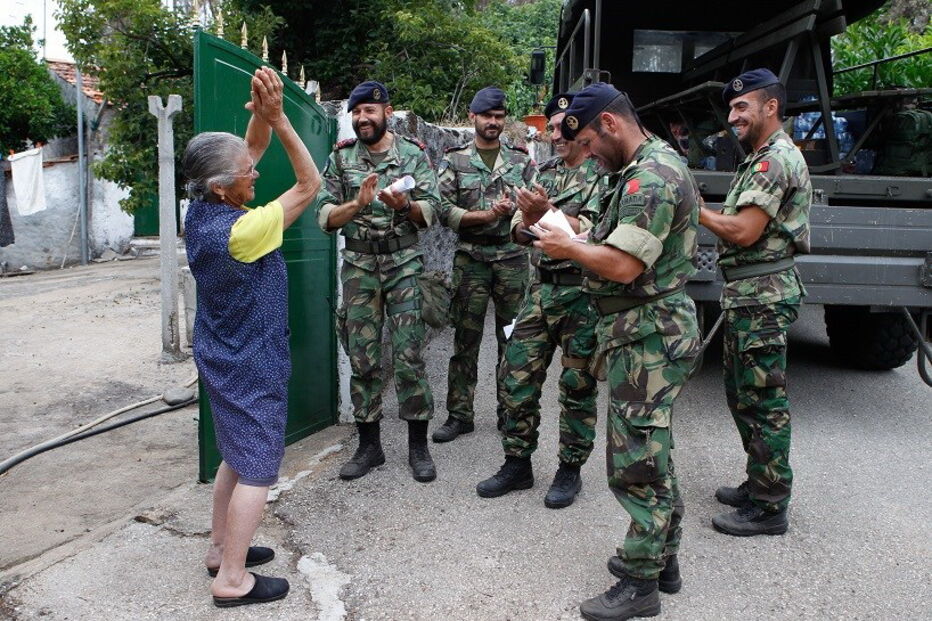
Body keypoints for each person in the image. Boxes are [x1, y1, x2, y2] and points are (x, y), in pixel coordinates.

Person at [535, 82, 701, 621]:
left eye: (587, 142)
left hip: (650, 337)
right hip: (644, 332)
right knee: (652, 450)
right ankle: (663, 559)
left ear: (609, 124)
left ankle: (639, 582)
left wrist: (568, 247)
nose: (587, 154)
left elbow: (625, 265)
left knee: (636, 464)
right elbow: (616, 241)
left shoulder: (650, 177)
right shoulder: (640, 169)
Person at [183, 67, 321, 607]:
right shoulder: (243, 231)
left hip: (222, 352)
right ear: (222, 186)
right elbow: (309, 185)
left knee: (236, 457)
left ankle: (220, 549)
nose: (255, 174)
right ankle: (232, 580)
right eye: (247, 173)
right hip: (252, 360)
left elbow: (250, 152)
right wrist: (282, 121)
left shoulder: (203, 210)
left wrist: (261, 118)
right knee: (260, 468)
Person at [475, 92, 604, 509]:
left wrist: (545, 215)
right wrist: (534, 219)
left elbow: (593, 232)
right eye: (551, 128)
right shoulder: (543, 173)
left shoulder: (603, 175)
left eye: (564, 127)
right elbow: (517, 230)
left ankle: (570, 470)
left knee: (577, 385)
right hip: (540, 289)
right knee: (515, 375)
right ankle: (518, 463)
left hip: (581, 293)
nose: (556, 135)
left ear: (582, 130)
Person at [699, 68, 811, 537]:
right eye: (731, 108)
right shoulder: (759, 159)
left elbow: (745, 231)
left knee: (763, 401)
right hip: (749, 295)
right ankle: (759, 481)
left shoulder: (775, 160)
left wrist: (694, 208)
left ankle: (770, 506)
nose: (733, 117)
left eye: (742, 107)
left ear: (771, 107)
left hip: (763, 296)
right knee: (743, 395)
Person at [316, 80, 441, 483]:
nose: (361, 118)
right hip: (359, 266)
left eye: (369, 110)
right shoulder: (341, 158)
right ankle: (369, 447)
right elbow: (324, 216)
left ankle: (418, 447)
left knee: (409, 355)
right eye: (355, 112)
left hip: (404, 263)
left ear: (387, 112)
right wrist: (356, 204)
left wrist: (404, 205)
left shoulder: (412, 154)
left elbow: (433, 210)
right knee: (362, 356)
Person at [433, 86, 537, 443]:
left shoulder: (521, 161)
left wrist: (516, 211)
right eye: (487, 116)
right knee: (465, 339)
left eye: (498, 117)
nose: (493, 122)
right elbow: (443, 210)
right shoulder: (455, 160)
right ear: (472, 117)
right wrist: (486, 215)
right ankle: (459, 414)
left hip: (512, 258)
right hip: (471, 259)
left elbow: (537, 205)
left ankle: (509, 412)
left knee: (512, 339)